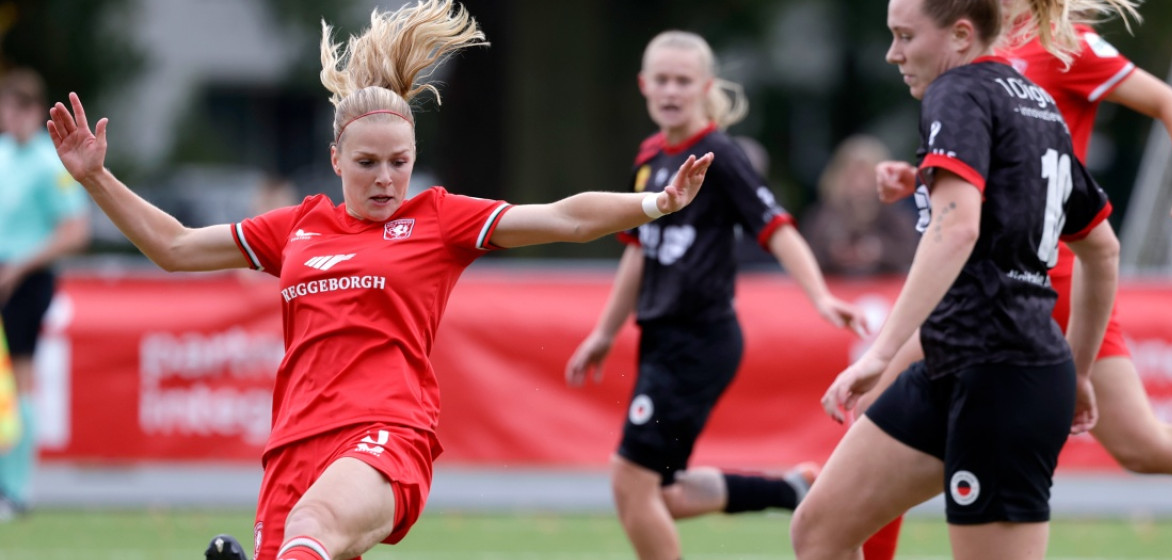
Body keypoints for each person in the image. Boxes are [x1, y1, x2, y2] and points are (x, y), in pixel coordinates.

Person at [46, 2, 714, 559]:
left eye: (400, 161)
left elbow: (564, 219)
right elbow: (175, 246)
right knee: (303, 535)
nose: (386, 178)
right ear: (335, 159)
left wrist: (655, 205)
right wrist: (95, 178)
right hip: (292, 447)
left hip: (387, 433)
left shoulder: (439, 220)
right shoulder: (297, 229)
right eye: (367, 163)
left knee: (312, 531)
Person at [872, 0, 1172, 504]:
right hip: (1026, 270)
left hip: (1053, 275)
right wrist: (920, 179)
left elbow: (1171, 103)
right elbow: (1007, 171)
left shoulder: (1069, 46)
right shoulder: (976, 51)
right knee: (1142, 446)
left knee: (879, 406)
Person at [789, 0, 1127, 558]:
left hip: (1003, 376)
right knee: (820, 530)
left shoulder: (959, 91)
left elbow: (956, 230)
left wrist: (880, 353)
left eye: (904, 36)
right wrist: (1081, 369)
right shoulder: (1038, 104)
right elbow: (1103, 249)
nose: (892, 53)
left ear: (961, 35)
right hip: (955, 363)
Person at [564, 30, 868, 560]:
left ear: (706, 88)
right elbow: (638, 250)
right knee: (660, 493)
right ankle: (791, 490)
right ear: (644, 85)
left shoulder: (720, 156)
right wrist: (605, 331)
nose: (672, 90)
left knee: (628, 481)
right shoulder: (650, 157)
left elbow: (777, 227)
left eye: (684, 81)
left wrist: (819, 296)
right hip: (661, 339)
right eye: (662, 79)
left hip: (699, 340)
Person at [0, 67, 91, 519]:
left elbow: (75, 231)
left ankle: (16, 491)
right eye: (5, 108)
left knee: (19, 385)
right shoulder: (3, 155)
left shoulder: (45, 162)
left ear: (36, 112)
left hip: (25, 278)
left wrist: (20, 266)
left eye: (18, 109)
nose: (8, 117)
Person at [801, 135, 917, 277]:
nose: (860, 185)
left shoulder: (894, 214)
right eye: (853, 176)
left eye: (867, 176)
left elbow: (913, 254)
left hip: (885, 294)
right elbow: (805, 256)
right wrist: (833, 252)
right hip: (834, 291)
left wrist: (881, 251)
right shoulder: (823, 215)